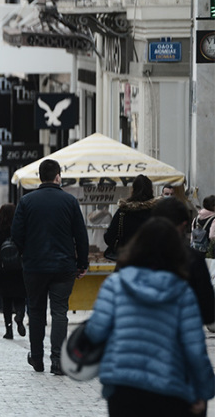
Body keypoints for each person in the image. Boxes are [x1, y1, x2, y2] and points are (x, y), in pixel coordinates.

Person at [85, 218, 215, 416]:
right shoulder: (182, 292)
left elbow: (95, 332)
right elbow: (195, 348)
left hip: (122, 386)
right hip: (169, 386)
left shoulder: (115, 285)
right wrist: (204, 391)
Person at [11, 159, 88, 376]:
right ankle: (58, 360)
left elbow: (16, 235)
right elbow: (80, 236)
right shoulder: (70, 201)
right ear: (57, 176)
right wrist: (82, 263)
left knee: (36, 312)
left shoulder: (26, 202)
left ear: (40, 177)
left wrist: (27, 252)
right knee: (59, 312)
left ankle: (37, 358)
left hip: (34, 266)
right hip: (63, 266)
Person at [150, 197, 215, 327]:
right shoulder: (193, 259)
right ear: (183, 225)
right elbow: (208, 313)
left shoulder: (133, 256)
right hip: (180, 335)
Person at [0, 204, 26, 339]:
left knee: (6, 301)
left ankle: (8, 330)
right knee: (21, 296)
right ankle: (20, 316)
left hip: (3, 269)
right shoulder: (20, 229)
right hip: (19, 269)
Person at [104, 175, 157, 259]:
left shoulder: (123, 211)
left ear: (133, 190)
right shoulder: (157, 212)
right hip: (152, 260)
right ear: (151, 190)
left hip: (128, 259)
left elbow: (109, 237)